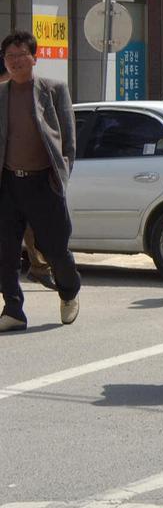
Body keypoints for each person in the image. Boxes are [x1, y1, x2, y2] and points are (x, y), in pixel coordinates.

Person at [0, 30, 81, 332]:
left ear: (34, 57)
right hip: (8, 184)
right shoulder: (2, 94)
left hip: (43, 183)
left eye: (22, 55)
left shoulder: (54, 89)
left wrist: (59, 179)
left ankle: (69, 291)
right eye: (10, 57)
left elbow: (69, 143)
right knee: (6, 251)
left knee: (55, 248)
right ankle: (13, 309)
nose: (16, 61)